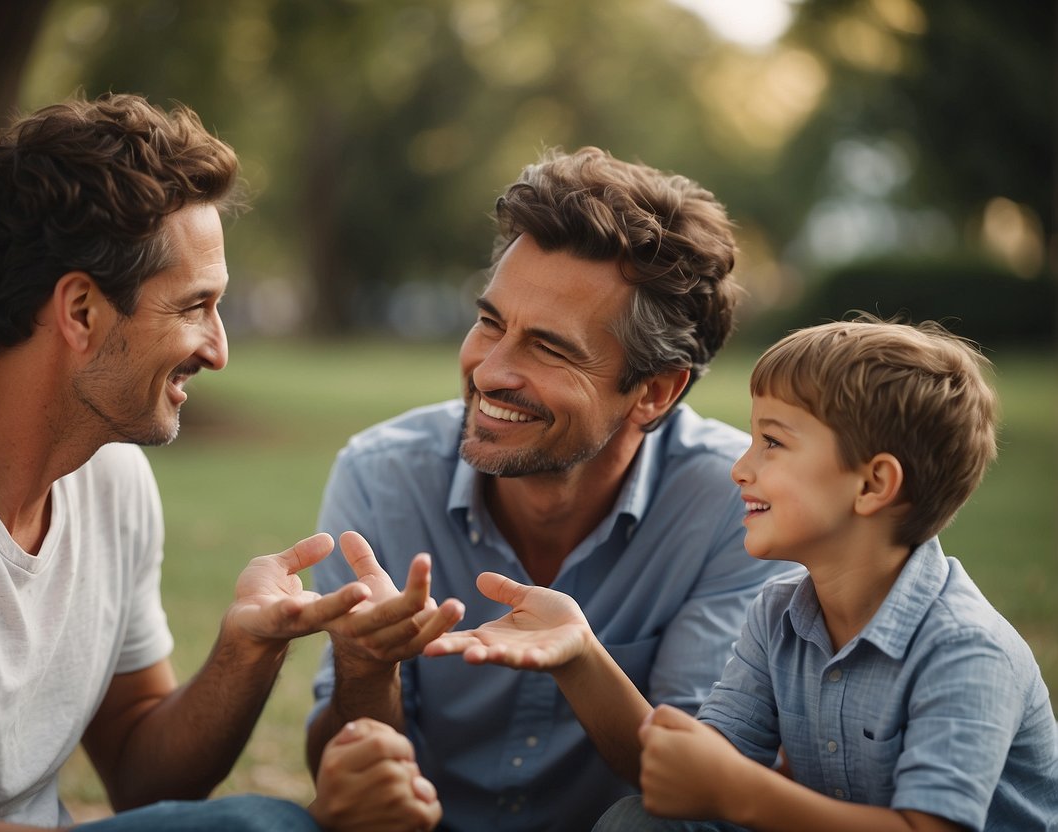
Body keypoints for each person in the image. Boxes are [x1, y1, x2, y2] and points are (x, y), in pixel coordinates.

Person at [0, 93, 443, 832]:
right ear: (82, 312)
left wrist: (246, 651)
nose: (219, 351)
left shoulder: (111, 478)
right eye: (195, 307)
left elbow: (140, 775)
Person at [304, 146, 799, 831]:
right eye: (489, 323)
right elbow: (340, 773)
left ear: (653, 391)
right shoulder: (381, 476)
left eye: (548, 347)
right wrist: (362, 669)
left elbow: (698, 785)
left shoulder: (733, 503)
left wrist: (582, 661)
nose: (488, 371)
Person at [434, 318, 1058, 831]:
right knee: (641, 822)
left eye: (773, 444)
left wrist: (743, 796)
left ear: (873, 484)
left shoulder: (966, 648)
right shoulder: (781, 614)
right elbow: (701, 770)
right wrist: (579, 654)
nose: (740, 467)